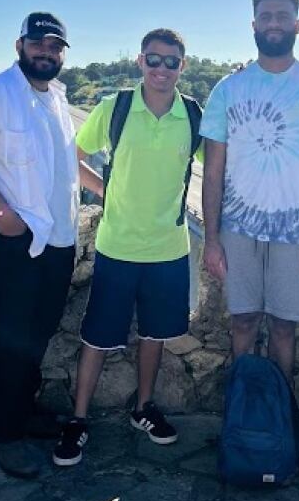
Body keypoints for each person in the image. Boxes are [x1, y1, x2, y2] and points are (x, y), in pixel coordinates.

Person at [53, 29, 201, 466]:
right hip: (117, 245)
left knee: (154, 334)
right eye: (153, 60)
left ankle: (144, 408)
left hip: (169, 248)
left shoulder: (192, 116)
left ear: (182, 66)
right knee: (98, 336)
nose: (161, 69)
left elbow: (221, 164)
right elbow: (72, 155)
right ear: (140, 62)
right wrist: (105, 190)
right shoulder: (114, 108)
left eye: (170, 61)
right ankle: (78, 419)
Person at [0, 12, 78, 479]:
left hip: (58, 238)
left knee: (39, 331)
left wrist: (110, 191)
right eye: (38, 42)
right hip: (13, 240)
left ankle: (24, 413)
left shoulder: (58, 99)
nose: (46, 51)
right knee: (11, 336)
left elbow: (67, 166)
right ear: (19, 44)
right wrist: (4, 218)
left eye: (55, 45)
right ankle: (6, 437)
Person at [201, 0, 299, 380]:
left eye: (282, 16)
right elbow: (213, 171)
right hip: (237, 229)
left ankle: (281, 411)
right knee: (243, 321)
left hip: (296, 230)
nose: (274, 23)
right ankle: (242, 406)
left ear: (297, 25)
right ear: (253, 24)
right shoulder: (228, 89)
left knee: (284, 326)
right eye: (266, 16)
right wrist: (211, 239)